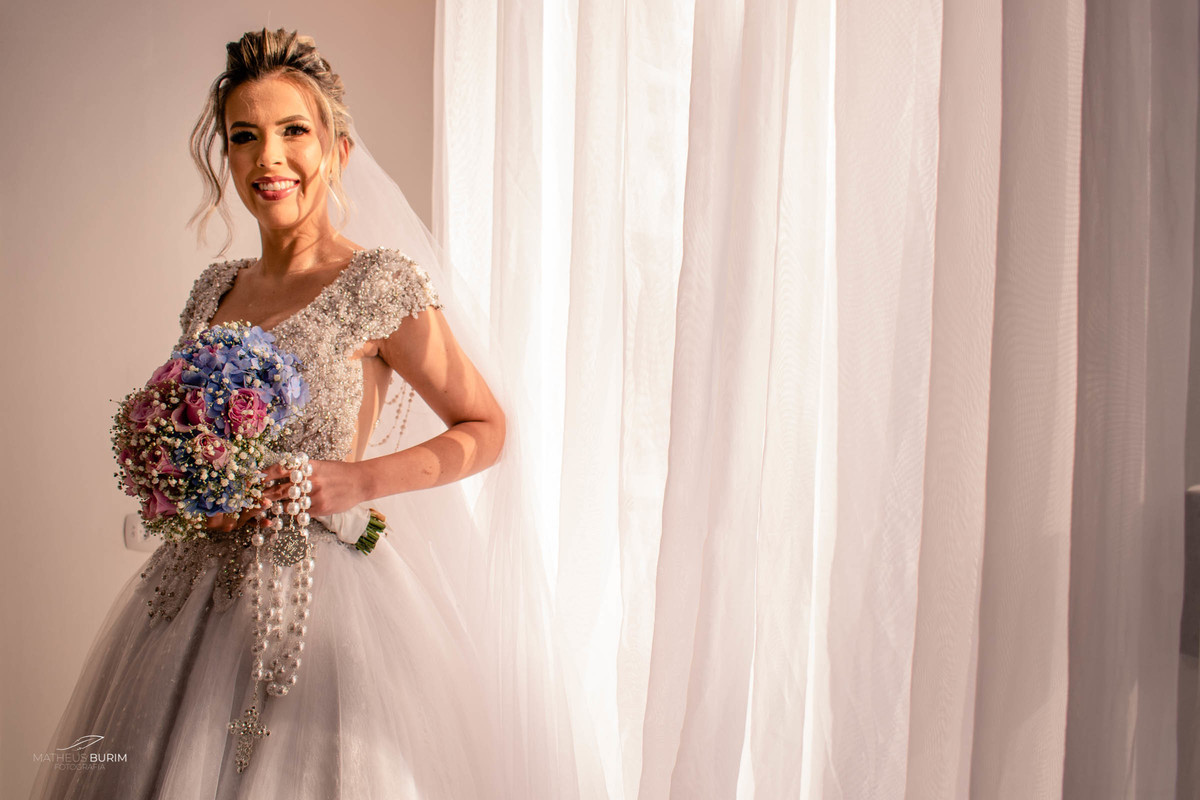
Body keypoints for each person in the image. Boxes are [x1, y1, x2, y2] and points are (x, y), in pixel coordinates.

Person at [29, 28, 604, 799]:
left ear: (337, 149)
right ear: (227, 156)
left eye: (293, 131)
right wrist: (191, 488)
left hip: (316, 606)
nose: (269, 157)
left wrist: (358, 481)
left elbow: (486, 427)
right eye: (244, 136)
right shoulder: (213, 290)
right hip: (189, 602)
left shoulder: (378, 283)